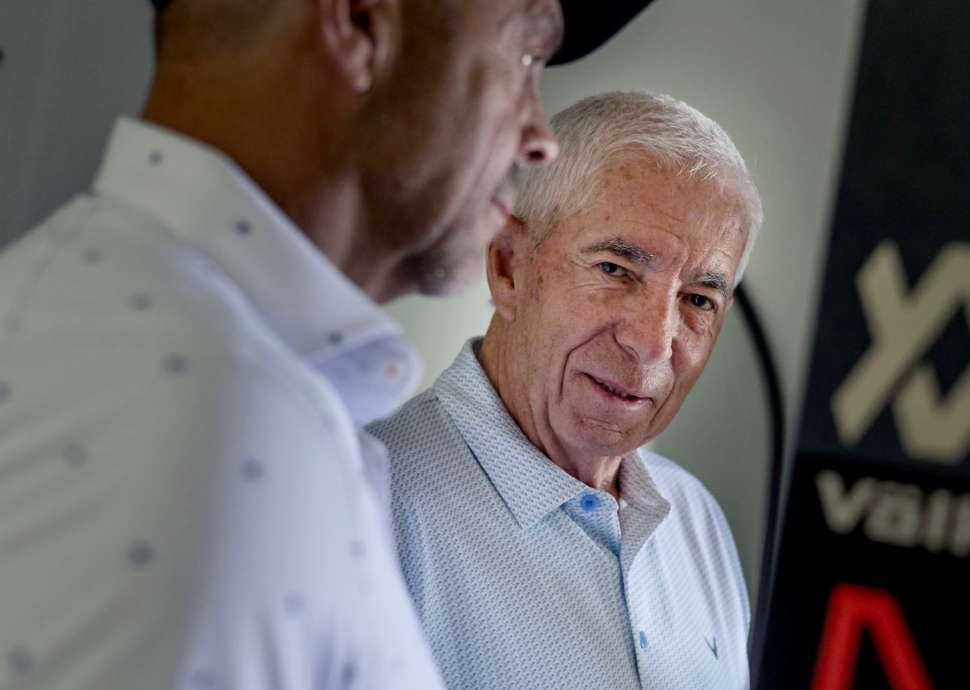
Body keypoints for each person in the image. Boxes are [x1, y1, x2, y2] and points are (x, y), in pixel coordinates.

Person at [0, 1, 647, 687]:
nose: (541, 136)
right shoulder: (217, 432)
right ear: (364, 25)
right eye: (524, 55)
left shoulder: (170, 358)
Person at [368, 90, 764, 689]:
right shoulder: (368, 502)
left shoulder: (697, 521)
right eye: (615, 269)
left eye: (698, 300)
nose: (654, 343)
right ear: (507, 266)